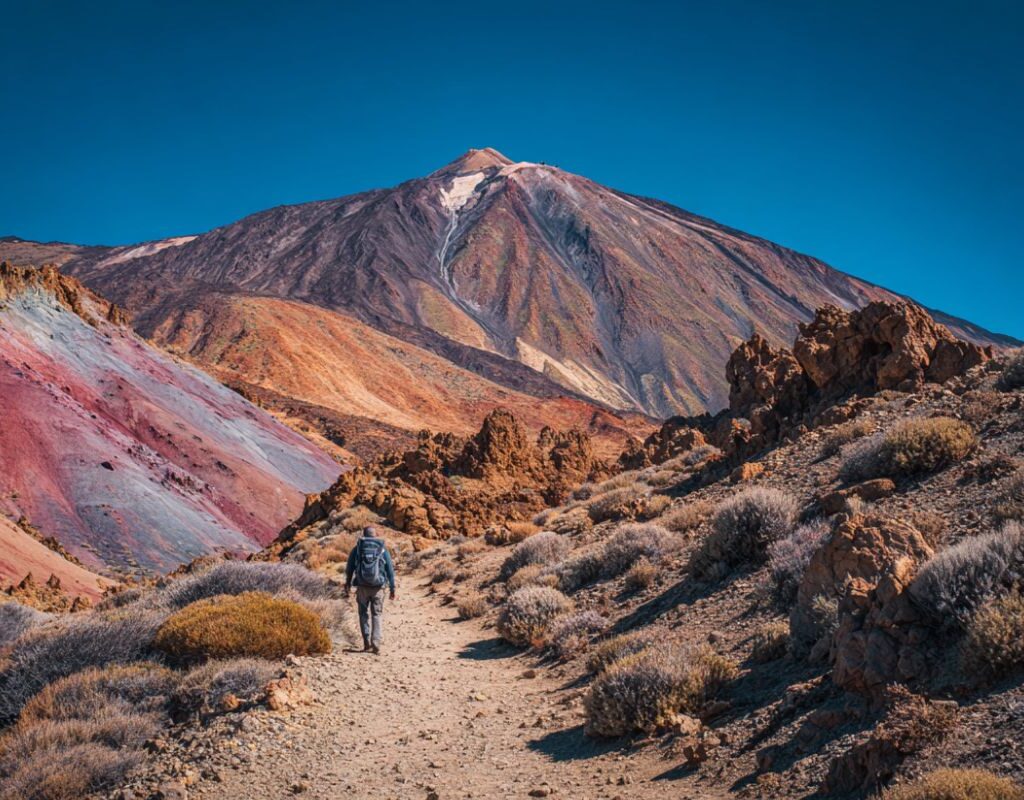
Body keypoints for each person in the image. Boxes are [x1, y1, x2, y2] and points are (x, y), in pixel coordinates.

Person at [343, 525, 396, 654]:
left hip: (361, 587)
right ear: (374, 535)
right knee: (376, 614)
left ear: (363, 534)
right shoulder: (382, 549)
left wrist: (348, 584)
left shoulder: (357, 549)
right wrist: (392, 588)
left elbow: (349, 569)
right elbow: (390, 570)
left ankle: (366, 643)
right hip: (378, 588)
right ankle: (376, 643)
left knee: (363, 614)